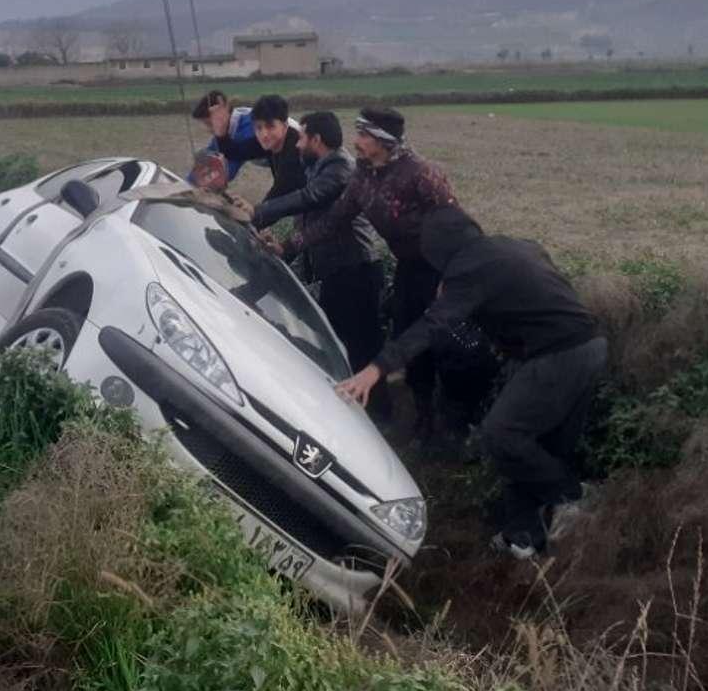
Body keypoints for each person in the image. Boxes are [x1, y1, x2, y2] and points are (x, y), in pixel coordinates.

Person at [336, 207, 606, 558]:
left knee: (501, 435)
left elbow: (434, 324)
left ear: (438, 252)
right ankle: (523, 537)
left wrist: (376, 369)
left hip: (558, 355)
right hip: (589, 346)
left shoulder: (470, 268)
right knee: (539, 444)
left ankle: (573, 494)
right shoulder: (514, 246)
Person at [286, 106, 457, 441]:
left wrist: (454, 276)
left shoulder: (421, 174)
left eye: (364, 135)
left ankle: (455, 422)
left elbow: (456, 224)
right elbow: (333, 220)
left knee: (448, 344)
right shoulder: (363, 176)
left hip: (440, 272)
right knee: (408, 342)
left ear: (383, 140)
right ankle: (422, 417)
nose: (356, 141)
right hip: (408, 270)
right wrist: (287, 245)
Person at [251, 112, 388, 415]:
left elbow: (308, 198)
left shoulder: (340, 169)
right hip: (341, 272)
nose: (297, 144)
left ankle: (377, 416)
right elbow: (313, 224)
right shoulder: (320, 167)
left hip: (355, 271)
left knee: (359, 348)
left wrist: (257, 213)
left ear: (316, 140)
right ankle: (361, 414)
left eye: (301, 137)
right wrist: (284, 249)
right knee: (339, 346)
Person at [190, 90, 306, 202]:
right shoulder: (267, 136)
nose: (264, 134)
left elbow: (281, 191)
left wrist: (254, 211)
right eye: (259, 128)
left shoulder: (295, 150)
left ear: (285, 125)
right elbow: (234, 153)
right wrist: (221, 134)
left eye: (271, 126)